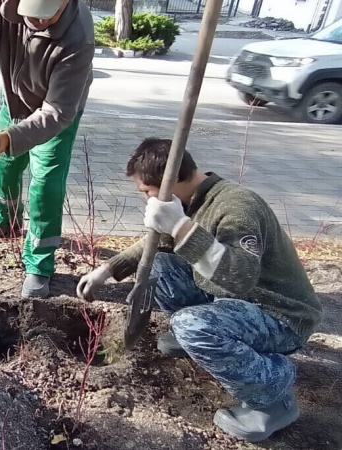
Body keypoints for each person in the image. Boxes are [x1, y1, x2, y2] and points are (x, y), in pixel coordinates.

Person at [77, 138, 323, 442]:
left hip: (279, 315)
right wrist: (109, 269)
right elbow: (155, 242)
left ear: (169, 183)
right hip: (233, 301)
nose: (146, 200)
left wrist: (180, 226)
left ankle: (272, 397)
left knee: (190, 326)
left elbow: (239, 278)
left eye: (146, 192)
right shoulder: (191, 200)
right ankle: (207, 339)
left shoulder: (237, 207)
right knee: (160, 264)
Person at [0, 0, 94, 298]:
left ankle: (39, 265)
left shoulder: (78, 37)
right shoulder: (7, 4)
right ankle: (8, 222)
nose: (35, 22)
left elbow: (57, 112)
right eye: (30, 15)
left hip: (55, 113)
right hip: (14, 102)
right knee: (4, 167)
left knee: (45, 185)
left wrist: (8, 137)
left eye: (45, 16)